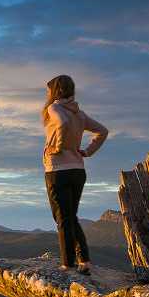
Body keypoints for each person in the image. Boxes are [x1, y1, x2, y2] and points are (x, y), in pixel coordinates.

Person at [41, 74, 107, 275]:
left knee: (62, 218)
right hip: (78, 170)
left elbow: (61, 123)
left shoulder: (54, 108)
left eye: (48, 90)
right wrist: (87, 152)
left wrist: (57, 147)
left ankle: (67, 264)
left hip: (57, 170)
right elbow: (102, 131)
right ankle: (84, 260)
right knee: (71, 216)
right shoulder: (80, 114)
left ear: (55, 91)